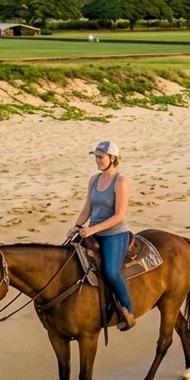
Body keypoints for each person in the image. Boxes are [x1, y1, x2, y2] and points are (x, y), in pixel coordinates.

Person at [67, 140, 137, 331]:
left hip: (114, 234)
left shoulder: (120, 181)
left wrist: (92, 230)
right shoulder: (94, 180)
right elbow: (88, 208)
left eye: (100, 157)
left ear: (112, 159)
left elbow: (119, 216)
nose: (96, 160)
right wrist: (78, 226)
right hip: (93, 231)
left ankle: (128, 310)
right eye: (96, 157)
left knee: (111, 272)